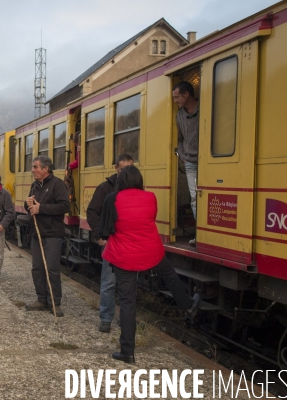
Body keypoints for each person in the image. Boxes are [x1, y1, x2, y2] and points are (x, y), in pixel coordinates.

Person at [99, 165, 200, 364]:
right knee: (170, 275)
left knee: (128, 302)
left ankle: (127, 352)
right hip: (151, 250)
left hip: (124, 255)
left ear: (121, 180)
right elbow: (149, 219)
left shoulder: (112, 199)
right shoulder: (150, 197)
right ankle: (188, 305)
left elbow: (104, 231)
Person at [86, 154, 134, 333]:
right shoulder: (105, 188)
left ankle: (125, 319)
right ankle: (106, 319)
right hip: (112, 243)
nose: (126, 173)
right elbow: (92, 212)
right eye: (123, 169)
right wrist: (100, 236)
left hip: (129, 244)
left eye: (129, 169)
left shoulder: (136, 189)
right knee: (109, 282)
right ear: (116, 168)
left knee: (128, 284)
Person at [24, 156, 70, 317]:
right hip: (36, 233)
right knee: (37, 268)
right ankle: (41, 299)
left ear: (45, 169)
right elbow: (30, 206)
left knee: (52, 269)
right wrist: (28, 203)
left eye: (35, 167)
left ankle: (54, 302)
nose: (32, 170)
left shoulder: (58, 185)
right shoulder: (35, 185)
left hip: (52, 234)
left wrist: (41, 208)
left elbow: (64, 206)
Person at [173, 81, 199, 246]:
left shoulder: (204, 108)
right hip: (190, 162)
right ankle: (201, 234)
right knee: (195, 198)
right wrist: (183, 155)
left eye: (177, 97)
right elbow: (180, 139)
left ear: (186, 94)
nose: (175, 101)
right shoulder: (179, 116)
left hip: (209, 161)